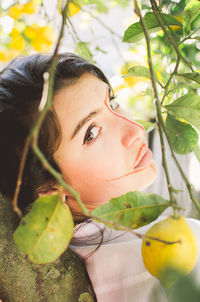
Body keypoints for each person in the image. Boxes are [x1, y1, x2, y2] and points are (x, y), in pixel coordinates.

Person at [0, 53, 200, 302]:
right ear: (49, 187)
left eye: (113, 102)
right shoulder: (179, 256)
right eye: (92, 133)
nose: (135, 130)